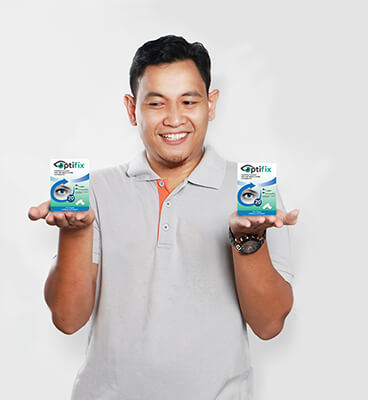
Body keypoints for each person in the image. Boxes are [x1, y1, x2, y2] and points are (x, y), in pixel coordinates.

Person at [28, 34, 299, 400]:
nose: (174, 119)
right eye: (156, 103)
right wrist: (76, 232)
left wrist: (248, 241)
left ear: (211, 104)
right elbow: (67, 319)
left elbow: (269, 325)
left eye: (189, 101)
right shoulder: (93, 191)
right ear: (132, 109)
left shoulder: (250, 189)